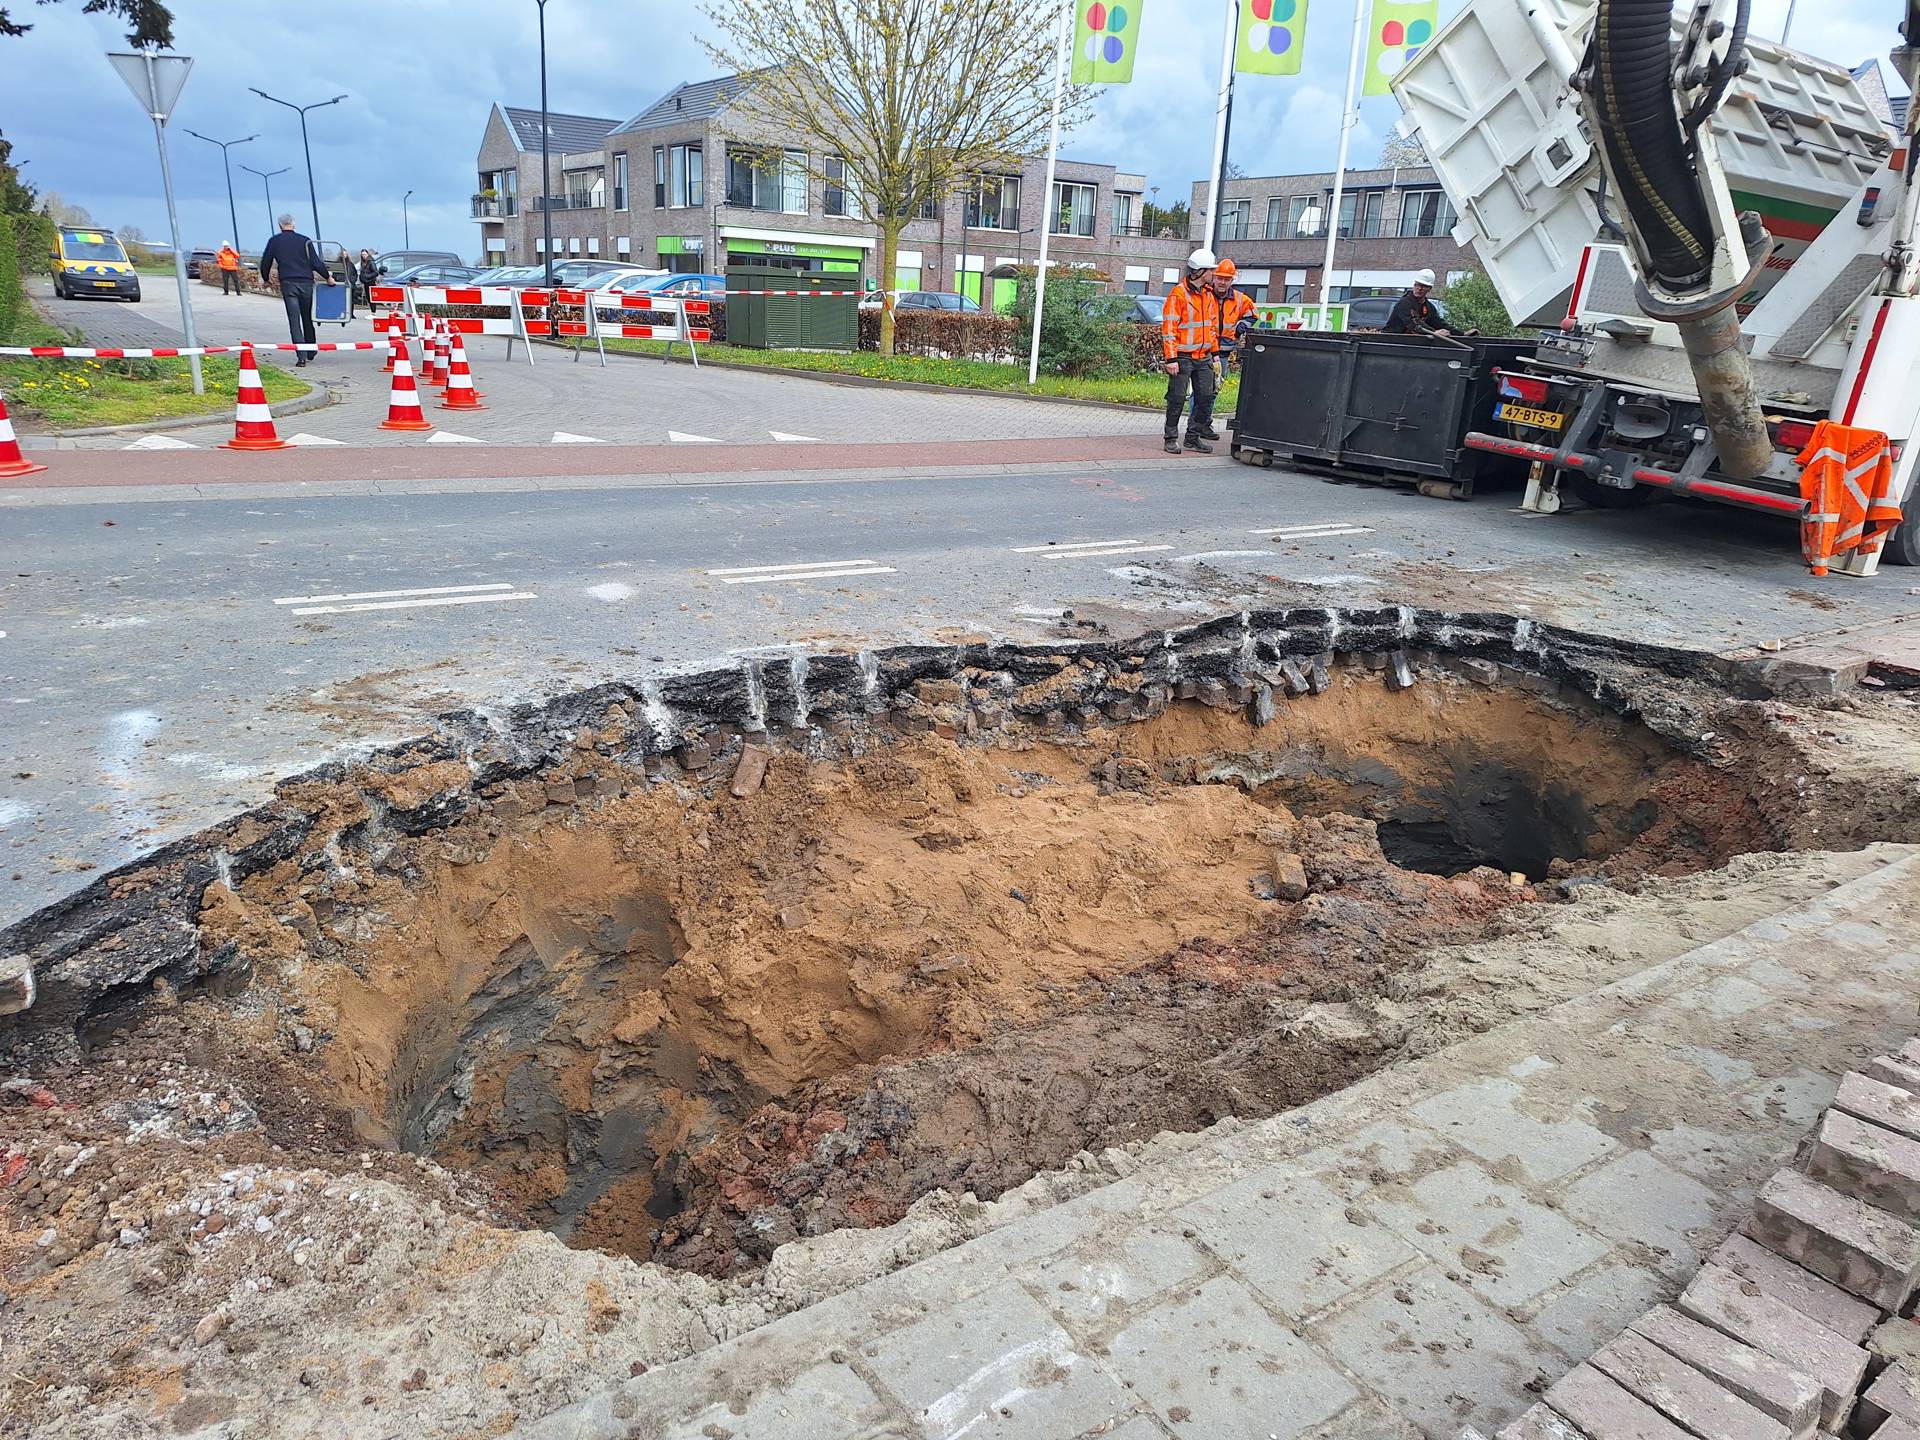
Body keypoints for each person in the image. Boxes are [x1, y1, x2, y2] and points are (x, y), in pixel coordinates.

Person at [1161, 248, 1223, 456]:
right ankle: (1170, 439)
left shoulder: (1208, 294)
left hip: (1204, 356)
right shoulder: (1178, 294)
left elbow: (1211, 327)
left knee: (1206, 397)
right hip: (1182, 357)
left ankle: (1192, 438)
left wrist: (1215, 354)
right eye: (1211, 270)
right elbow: (1169, 329)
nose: (1214, 274)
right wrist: (1171, 358)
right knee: (1176, 398)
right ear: (1200, 271)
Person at [258, 214, 338, 366]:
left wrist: (266, 279)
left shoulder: (274, 241)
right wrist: (327, 277)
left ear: (280, 226)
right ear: (294, 225)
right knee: (307, 317)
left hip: (288, 283)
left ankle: (301, 357)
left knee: (294, 321)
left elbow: (266, 262)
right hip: (306, 283)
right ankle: (311, 350)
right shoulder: (305, 240)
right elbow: (316, 262)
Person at [1381, 268, 1450, 337]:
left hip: (1412, 341)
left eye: (1424, 286)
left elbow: (1438, 322)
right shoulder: (1404, 303)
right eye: (1417, 285)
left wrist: (1455, 332)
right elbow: (1414, 323)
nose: (1419, 289)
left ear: (1429, 289)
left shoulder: (1429, 307)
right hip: (1390, 340)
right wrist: (1434, 332)